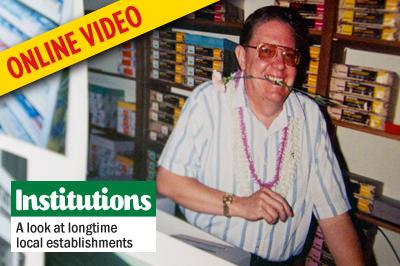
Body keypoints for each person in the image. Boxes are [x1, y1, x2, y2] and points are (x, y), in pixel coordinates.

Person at [156, 6, 364, 266]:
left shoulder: (310, 116)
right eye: (267, 51)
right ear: (242, 57)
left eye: (289, 55)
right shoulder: (209, 100)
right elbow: (168, 182)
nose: (279, 65)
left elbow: (335, 217)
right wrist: (240, 205)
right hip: (209, 256)